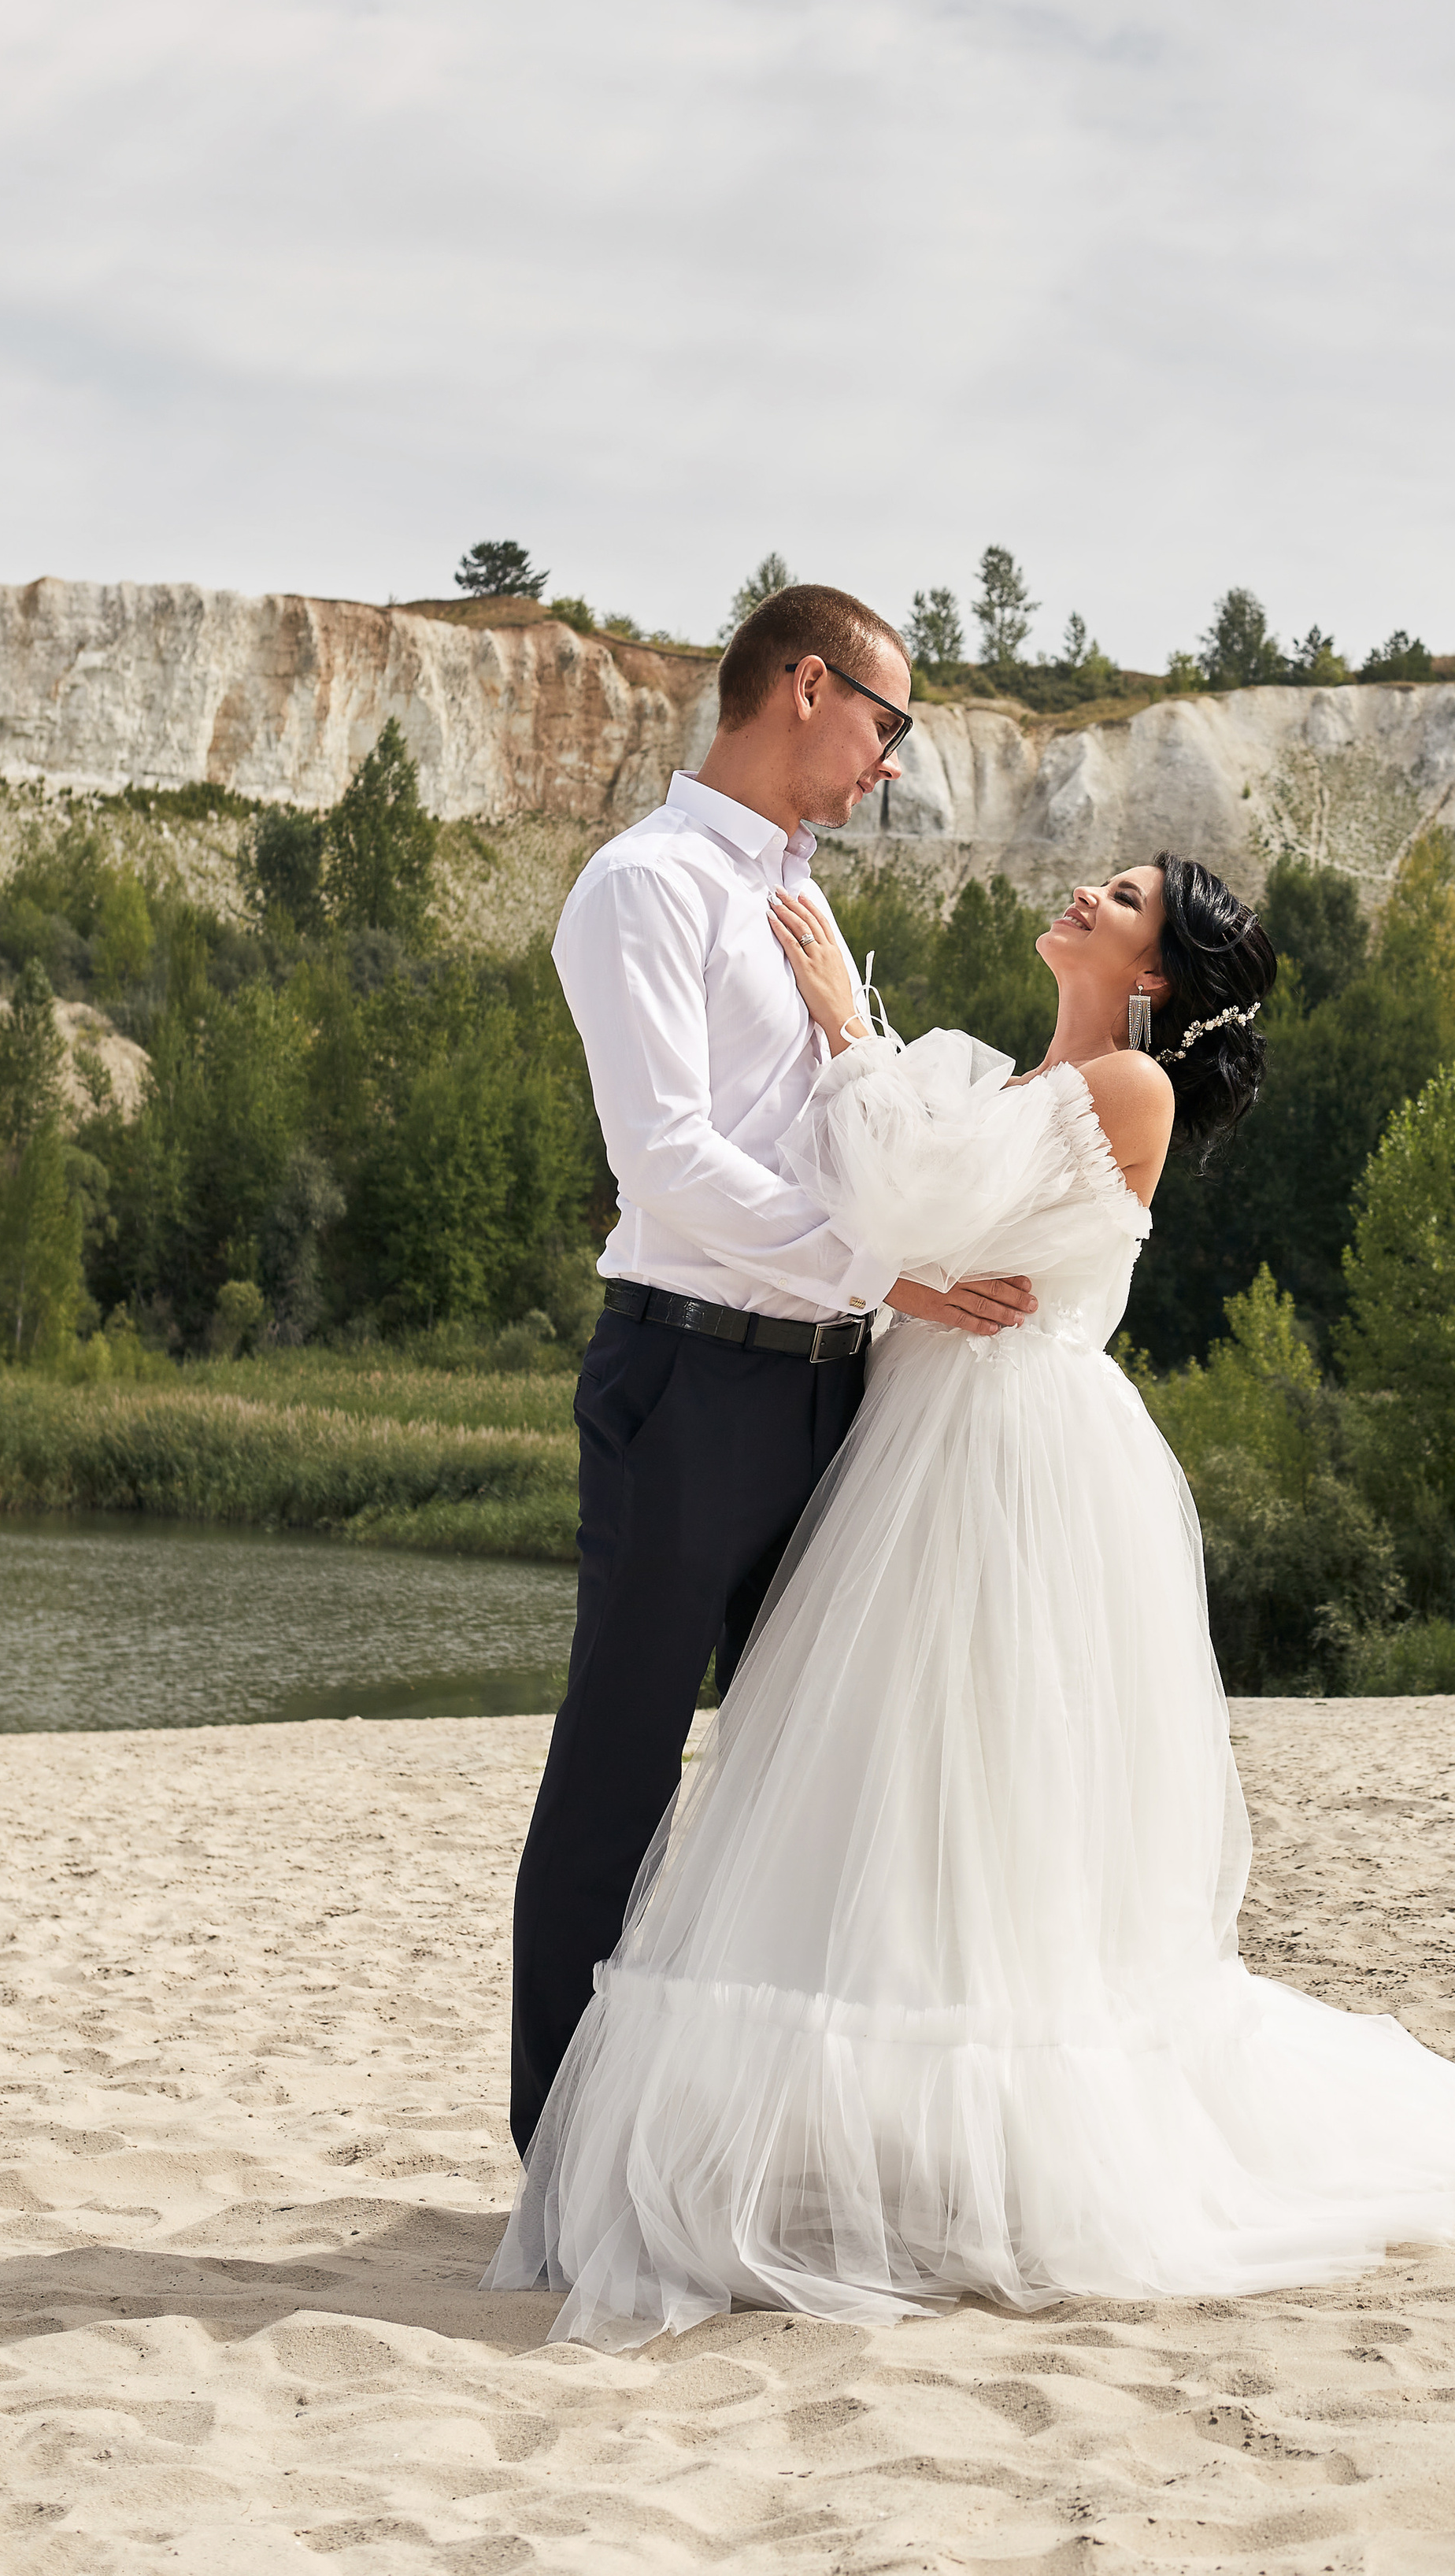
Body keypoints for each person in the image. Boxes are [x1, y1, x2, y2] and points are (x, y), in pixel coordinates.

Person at [490, 849, 1455, 2339]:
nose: (1081, 898)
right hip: (910, 1425)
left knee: (984, 1787)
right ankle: (864, 2139)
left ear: (1158, 975)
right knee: (871, 1790)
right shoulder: (1004, 1073)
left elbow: (915, 1207)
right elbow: (897, 1229)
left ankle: (984, 2152)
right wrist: (874, 1164)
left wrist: (844, 1034)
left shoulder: (1131, 1090)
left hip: (1002, 1448)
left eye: (1117, 902)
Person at [508, 583, 1038, 2158]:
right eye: (887, 723)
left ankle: (749, 2147)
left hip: (831, 1386)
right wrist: (893, 1270)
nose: (890, 761)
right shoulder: (646, 885)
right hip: (690, 1381)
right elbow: (666, 1165)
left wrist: (925, 1242)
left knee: (813, 1777)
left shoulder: (802, 904)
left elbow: (836, 1140)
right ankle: (562, 2165)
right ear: (805, 687)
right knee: (621, 1773)